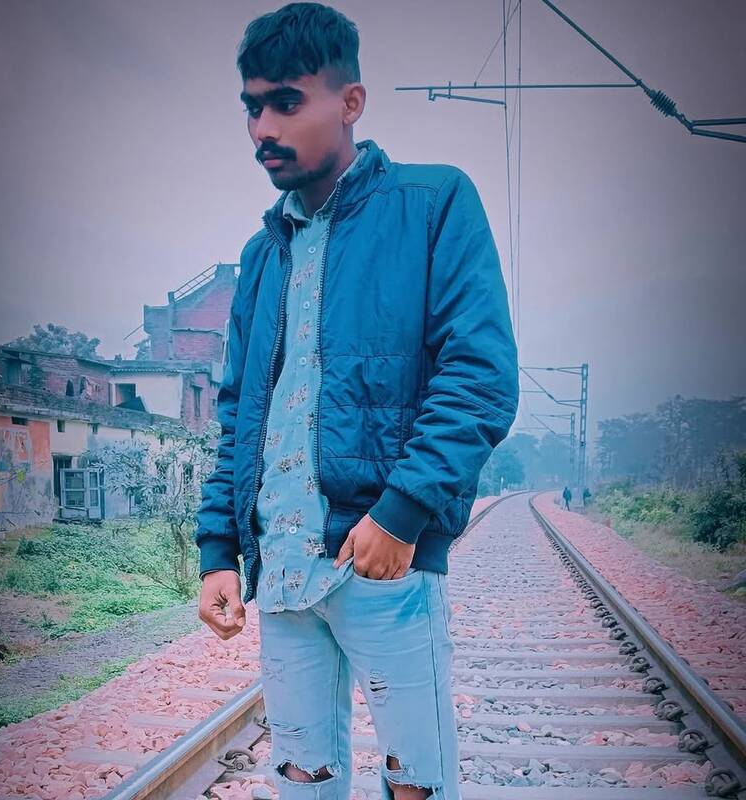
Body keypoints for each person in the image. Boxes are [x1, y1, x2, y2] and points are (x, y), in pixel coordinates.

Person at [195, 4, 519, 798]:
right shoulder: (261, 256)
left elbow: (480, 374)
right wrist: (218, 552)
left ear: (350, 102)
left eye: (286, 102)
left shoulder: (434, 204)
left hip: (382, 563)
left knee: (417, 784)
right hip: (283, 573)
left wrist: (401, 513)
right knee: (302, 781)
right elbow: (239, 416)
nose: (263, 128)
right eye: (252, 107)